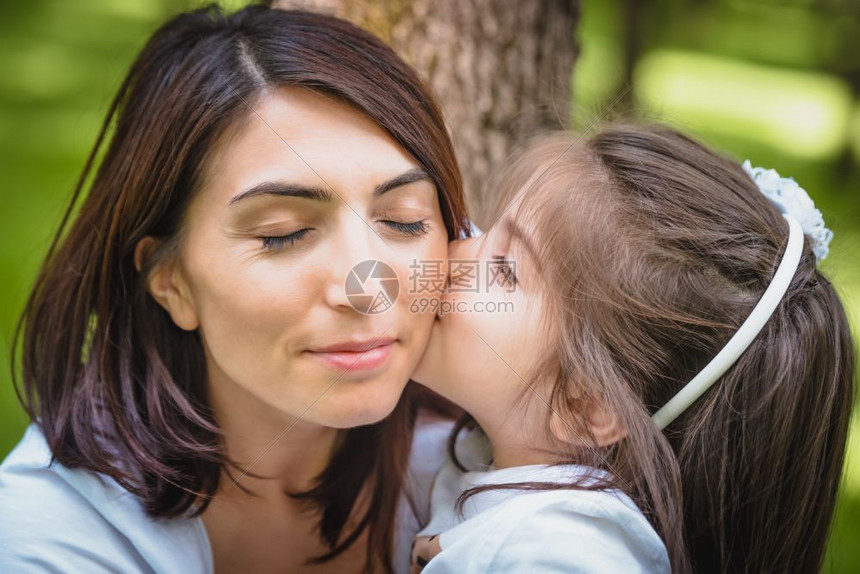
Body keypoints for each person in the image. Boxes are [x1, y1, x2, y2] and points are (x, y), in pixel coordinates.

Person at [0, 3, 473, 573]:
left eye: (403, 219)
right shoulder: (50, 535)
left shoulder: (490, 470)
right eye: (284, 234)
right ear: (170, 281)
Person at [410, 123, 855, 573]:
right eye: (486, 233)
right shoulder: (479, 461)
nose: (454, 251)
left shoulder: (565, 554)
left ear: (585, 406)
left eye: (503, 269)